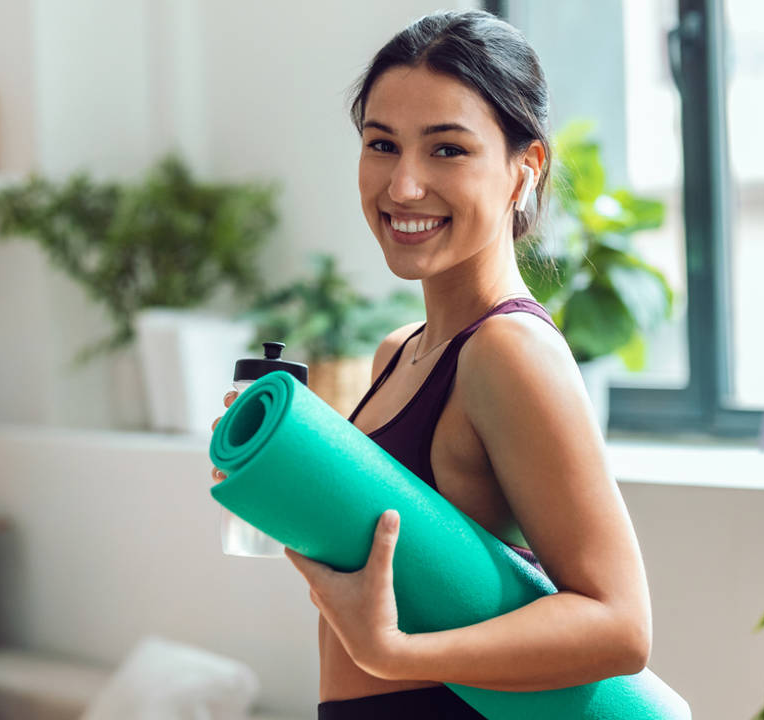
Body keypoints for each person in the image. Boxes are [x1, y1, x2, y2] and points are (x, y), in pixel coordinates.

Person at [212, 9, 652, 718]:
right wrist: (283, 471)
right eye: (382, 144)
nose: (404, 186)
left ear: (523, 169)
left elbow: (620, 625)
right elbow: (389, 574)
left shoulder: (510, 353)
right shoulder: (399, 351)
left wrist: (396, 655)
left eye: (447, 150)